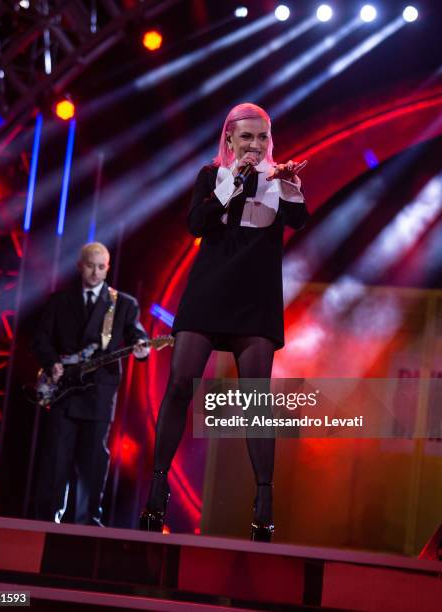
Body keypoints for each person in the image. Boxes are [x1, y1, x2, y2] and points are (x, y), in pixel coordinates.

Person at [139, 103, 308, 541]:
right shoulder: (211, 176)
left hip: (256, 300)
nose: (255, 145)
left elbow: (300, 222)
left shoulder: (280, 179)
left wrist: (289, 186)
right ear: (229, 139)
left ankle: (263, 503)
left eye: (262, 138)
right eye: (246, 137)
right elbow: (196, 222)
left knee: (255, 401)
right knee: (179, 383)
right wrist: (233, 181)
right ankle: (157, 489)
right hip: (208, 292)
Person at [33, 242, 149, 525]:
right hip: (63, 392)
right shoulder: (59, 301)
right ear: (79, 266)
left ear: (108, 268)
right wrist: (52, 363)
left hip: (98, 392)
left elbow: (137, 336)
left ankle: (88, 521)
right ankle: (49, 518)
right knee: (56, 458)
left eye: (101, 267)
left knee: (93, 460)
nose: (95, 273)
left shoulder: (122, 304)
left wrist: (142, 348)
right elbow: (40, 340)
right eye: (90, 266)